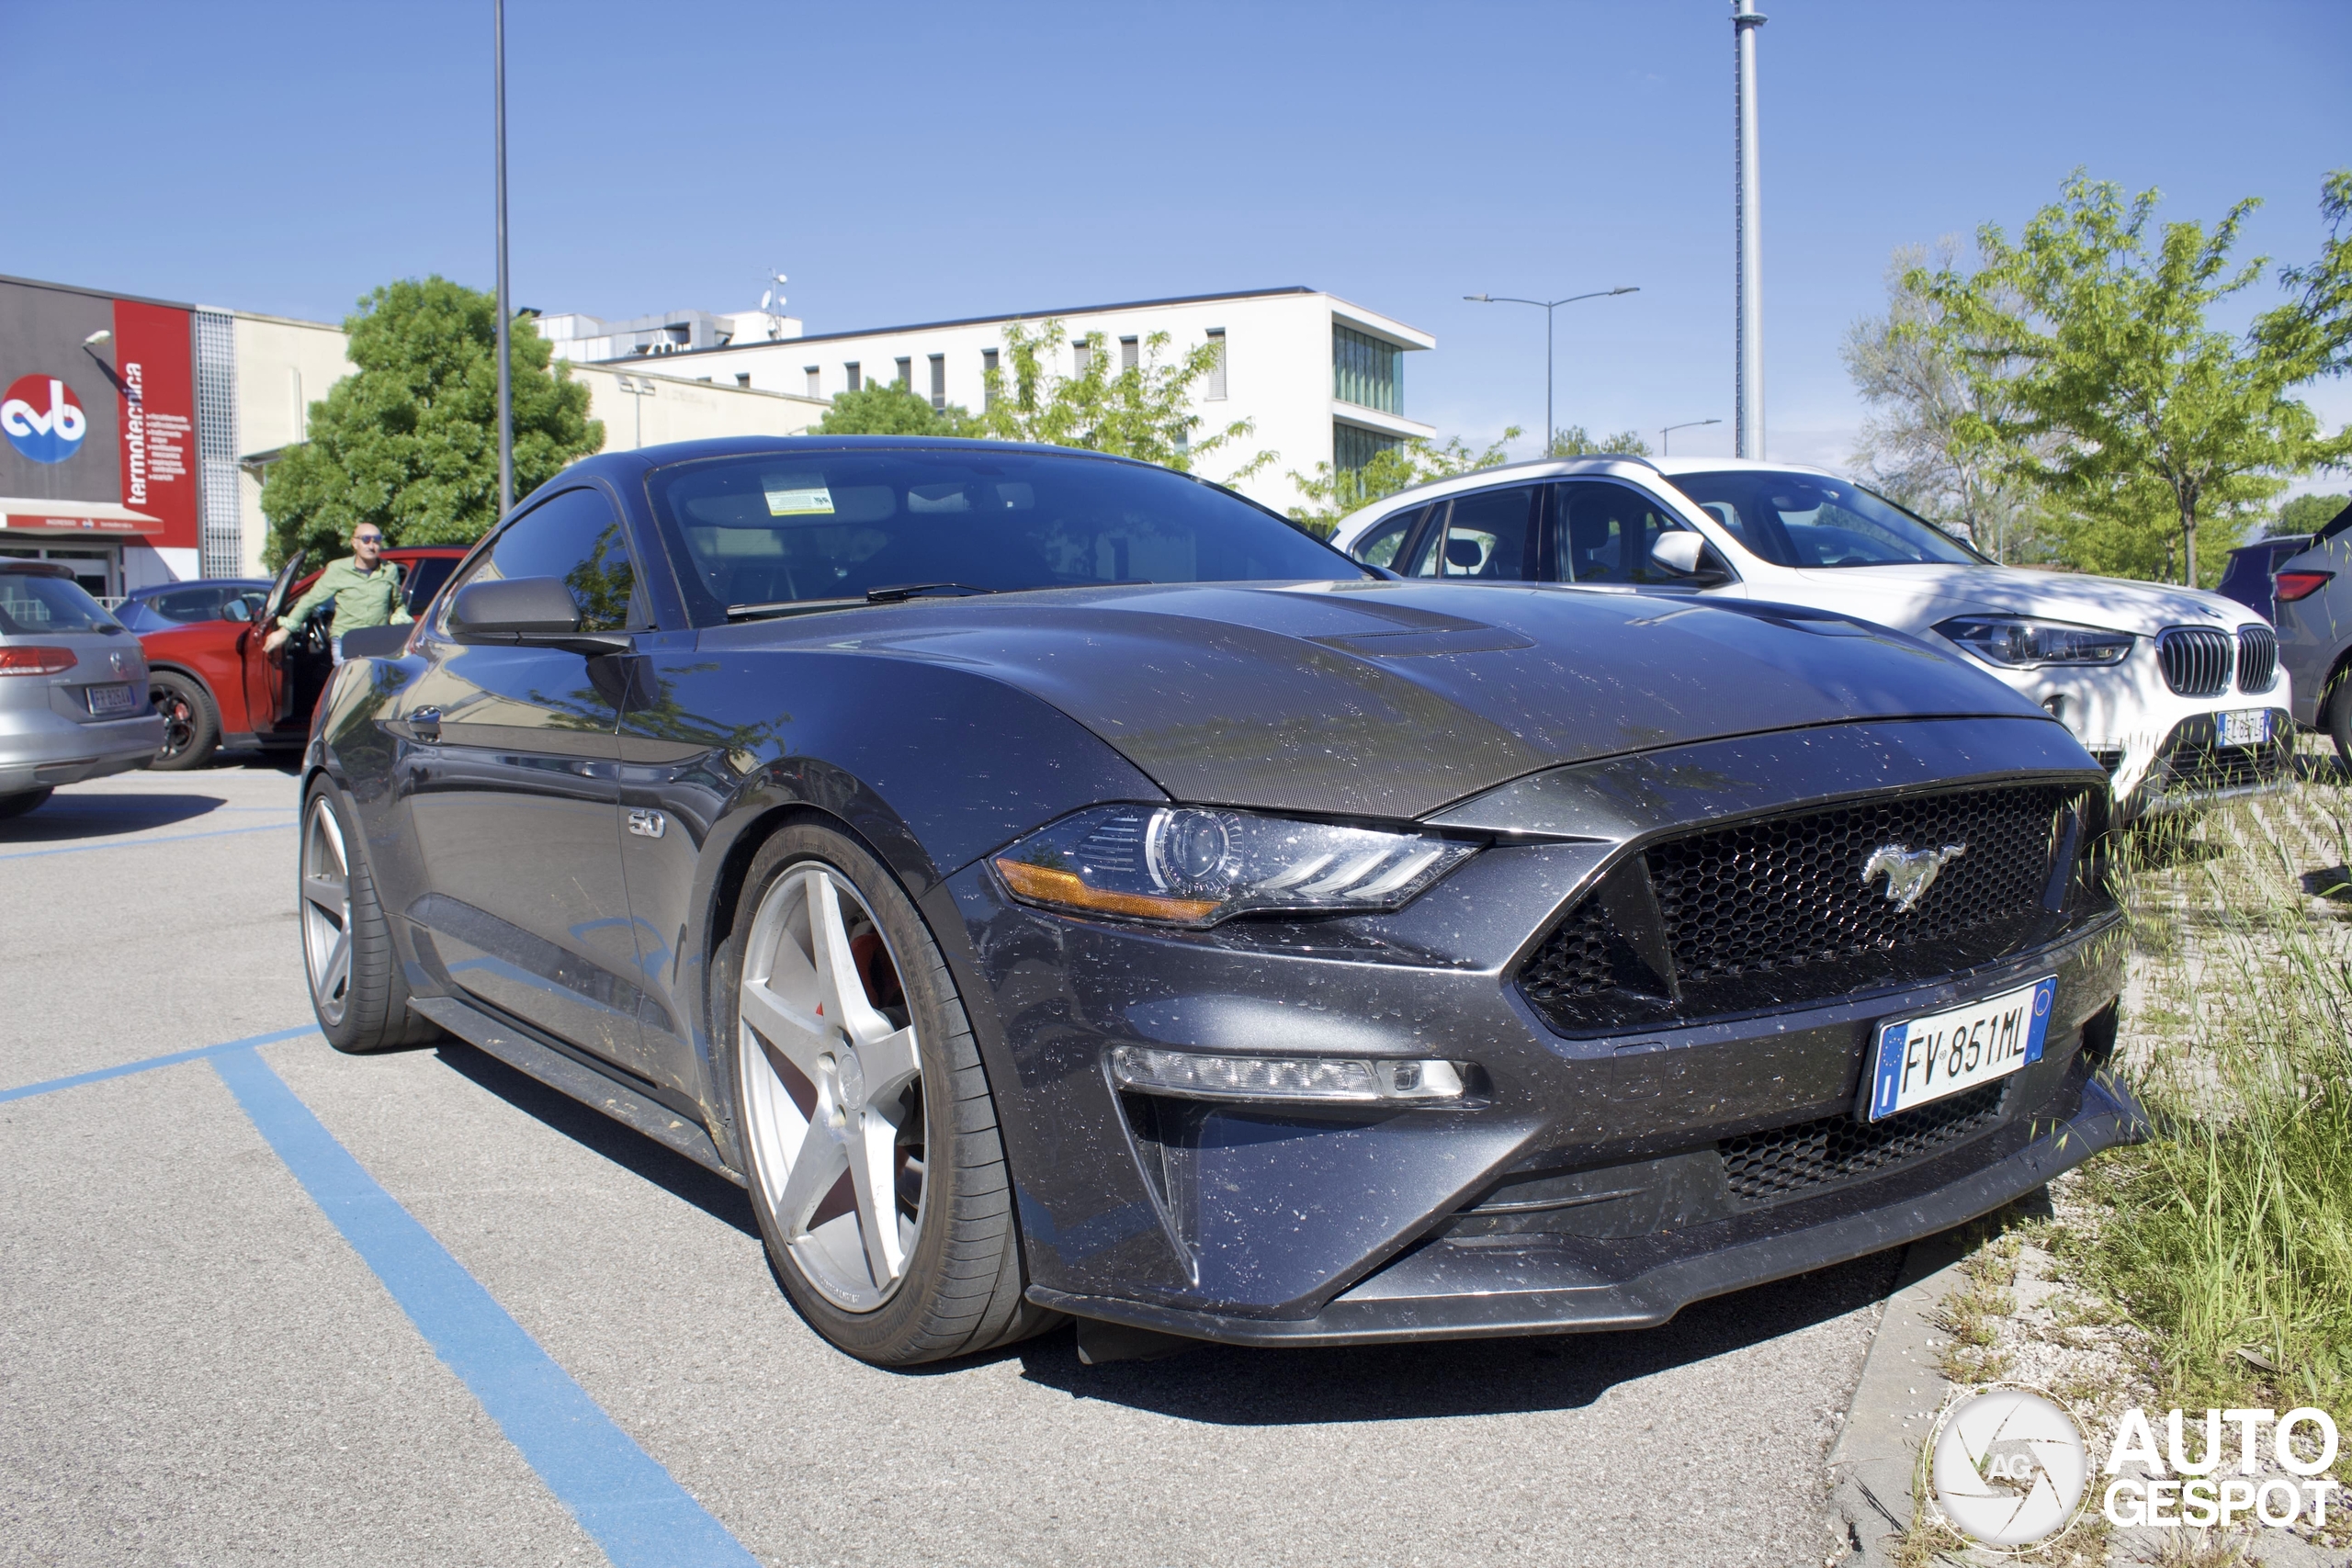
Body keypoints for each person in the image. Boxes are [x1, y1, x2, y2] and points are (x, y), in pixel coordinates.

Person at [264, 525, 409, 663]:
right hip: (346, 641)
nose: (371, 546)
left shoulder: (390, 570)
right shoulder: (338, 569)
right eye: (366, 540)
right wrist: (284, 631)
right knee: (349, 686)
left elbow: (397, 604)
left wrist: (400, 619)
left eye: (376, 540)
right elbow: (311, 600)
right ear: (354, 543)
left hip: (377, 642)